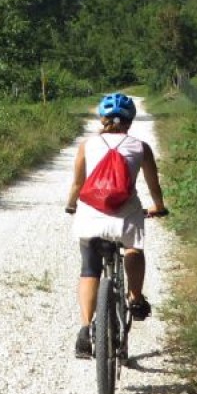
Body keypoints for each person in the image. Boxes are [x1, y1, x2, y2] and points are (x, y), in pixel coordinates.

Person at [64, 92, 167, 359]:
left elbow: (77, 183)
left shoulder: (88, 145)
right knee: (133, 248)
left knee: (89, 268)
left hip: (91, 214)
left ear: (102, 117)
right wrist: (158, 206)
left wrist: (71, 205)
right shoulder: (141, 147)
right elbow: (154, 185)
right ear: (130, 120)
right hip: (125, 213)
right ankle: (135, 298)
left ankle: (86, 330)